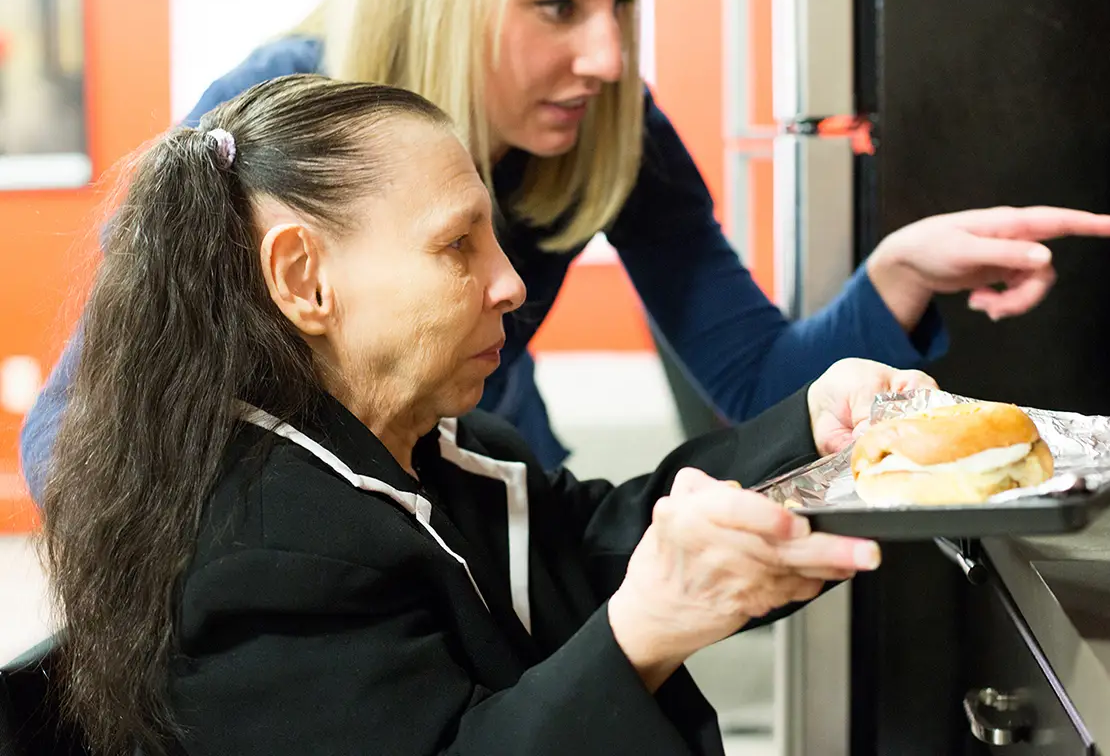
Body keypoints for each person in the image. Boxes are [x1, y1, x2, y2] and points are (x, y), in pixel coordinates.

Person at [41, 73, 935, 756]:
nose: (509, 284)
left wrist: (813, 431)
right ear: (303, 279)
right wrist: (642, 635)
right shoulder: (259, 554)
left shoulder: (439, 448)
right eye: (457, 245)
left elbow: (590, 548)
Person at [18, 0, 1110, 491]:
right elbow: (76, 433)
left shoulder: (610, 126)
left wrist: (896, 273)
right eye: (559, 8)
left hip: (499, 483)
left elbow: (753, 377)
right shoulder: (279, 117)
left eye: (623, 7)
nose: (606, 58)